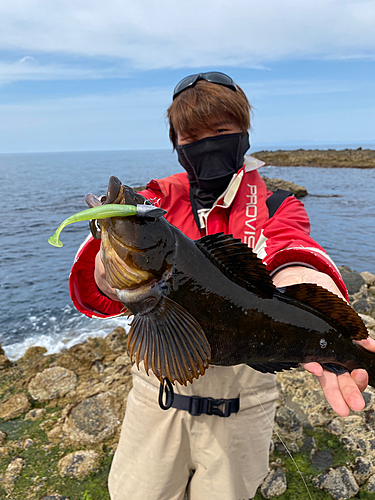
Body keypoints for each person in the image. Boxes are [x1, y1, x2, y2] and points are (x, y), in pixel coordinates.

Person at [69, 72, 375, 500]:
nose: (207, 142)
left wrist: (308, 282)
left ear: (244, 135)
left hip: (243, 402)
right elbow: (98, 288)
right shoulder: (151, 204)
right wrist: (108, 270)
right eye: (192, 134)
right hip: (157, 398)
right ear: (176, 143)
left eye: (221, 130)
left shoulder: (276, 205)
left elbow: (295, 249)